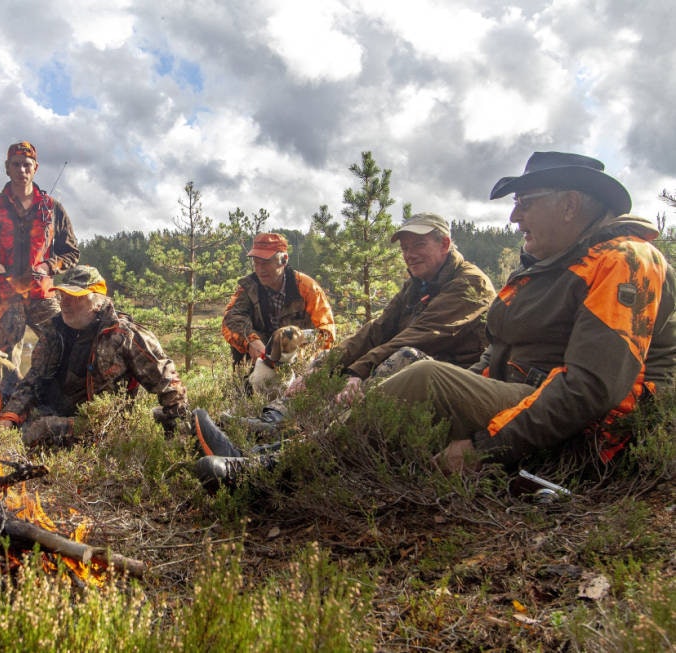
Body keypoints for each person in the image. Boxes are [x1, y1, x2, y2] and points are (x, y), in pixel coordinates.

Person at [195, 151, 676, 488]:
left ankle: (275, 474)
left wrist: (484, 447)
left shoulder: (625, 261)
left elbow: (591, 390)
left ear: (570, 205)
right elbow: (390, 333)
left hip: (595, 436)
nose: (515, 217)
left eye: (526, 203)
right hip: (528, 403)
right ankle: (276, 449)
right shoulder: (557, 266)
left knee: (423, 375)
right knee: (411, 389)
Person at [209, 213, 496, 435]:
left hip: (454, 380)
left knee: (405, 357)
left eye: (419, 244)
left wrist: (356, 369)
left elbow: (420, 337)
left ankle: (311, 438)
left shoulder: (470, 283)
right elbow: (376, 330)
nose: (409, 254)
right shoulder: (418, 283)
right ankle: (273, 419)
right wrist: (326, 366)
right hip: (268, 360)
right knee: (330, 363)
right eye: (406, 248)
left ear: (445, 243)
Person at [0, 266, 189, 445]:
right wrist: (9, 418)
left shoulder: (124, 335)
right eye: (62, 295)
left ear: (98, 301)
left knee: (40, 430)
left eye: (76, 296)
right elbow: (33, 381)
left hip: (102, 426)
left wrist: (179, 431)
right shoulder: (53, 331)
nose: (65, 303)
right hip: (53, 413)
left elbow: (168, 382)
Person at [0, 140, 80, 362]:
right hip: (3, 294)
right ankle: (10, 397)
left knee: (62, 345)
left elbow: (71, 252)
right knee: (5, 358)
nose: (21, 170)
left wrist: (49, 266)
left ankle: (48, 395)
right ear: (7, 168)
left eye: (27, 165)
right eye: (16, 164)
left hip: (41, 292)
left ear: (35, 168)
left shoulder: (52, 207)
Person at [221, 232, 336, 367]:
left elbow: (326, 332)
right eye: (256, 263)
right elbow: (230, 319)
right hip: (259, 361)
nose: (260, 269)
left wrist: (295, 344)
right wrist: (251, 341)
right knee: (239, 341)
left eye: (266, 263)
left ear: (284, 260)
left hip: (299, 359)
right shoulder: (248, 288)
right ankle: (248, 386)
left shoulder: (307, 288)